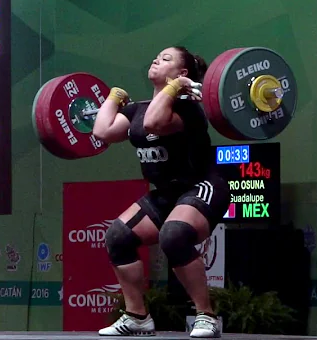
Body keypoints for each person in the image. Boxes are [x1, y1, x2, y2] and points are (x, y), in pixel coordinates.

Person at [92, 46, 229, 338]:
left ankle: (206, 316)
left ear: (182, 74)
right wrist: (114, 97)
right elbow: (103, 132)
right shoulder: (137, 110)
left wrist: (176, 88)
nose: (156, 59)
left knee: (174, 235)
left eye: (166, 59)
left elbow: (155, 122)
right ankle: (137, 317)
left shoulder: (189, 110)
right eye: (156, 56)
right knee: (118, 236)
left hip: (202, 186)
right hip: (166, 195)